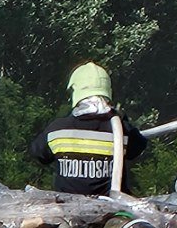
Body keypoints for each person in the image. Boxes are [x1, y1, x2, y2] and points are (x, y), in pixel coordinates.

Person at [28, 63, 150, 195]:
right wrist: (123, 119)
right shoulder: (121, 129)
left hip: (66, 210)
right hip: (111, 210)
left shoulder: (57, 130)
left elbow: (38, 153)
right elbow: (139, 147)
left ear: (75, 92)